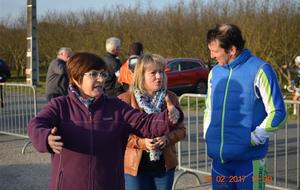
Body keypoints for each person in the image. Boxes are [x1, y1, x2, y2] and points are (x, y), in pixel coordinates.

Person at [27, 52, 183, 190]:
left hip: (108, 184)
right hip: (69, 184)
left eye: (103, 74)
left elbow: (146, 124)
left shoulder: (116, 107)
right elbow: (36, 124)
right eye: (94, 74)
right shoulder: (60, 105)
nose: (100, 79)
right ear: (76, 78)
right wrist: (46, 138)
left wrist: (169, 117)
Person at [203, 24, 286, 190]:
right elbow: (209, 108)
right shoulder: (214, 73)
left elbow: (278, 113)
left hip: (249, 162)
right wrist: (208, 134)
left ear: (232, 50)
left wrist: (253, 139)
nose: (211, 56)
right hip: (219, 162)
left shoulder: (261, 70)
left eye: (215, 51)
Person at [118, 53, 186, 190]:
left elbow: (181, 131)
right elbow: (119, 135)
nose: (159, 76)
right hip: (135, 169)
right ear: (140, 75)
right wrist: (142, 143)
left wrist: (167, 138)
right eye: (153, 72)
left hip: (164, 167)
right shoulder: (125, 99)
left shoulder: (171, 97)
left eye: (161, 72)